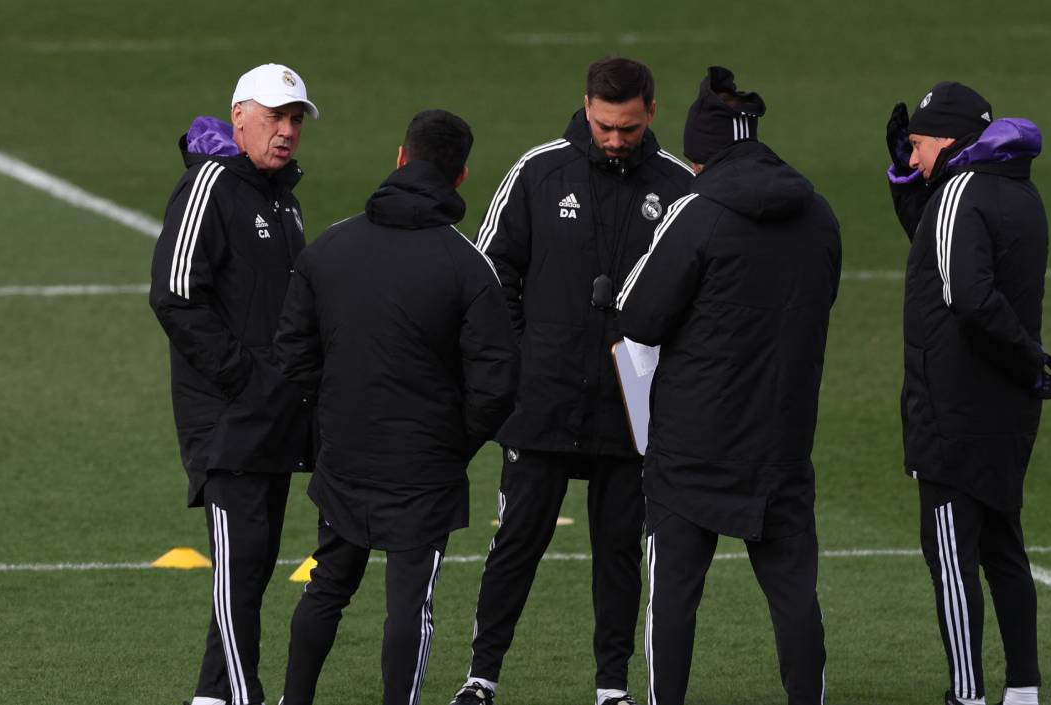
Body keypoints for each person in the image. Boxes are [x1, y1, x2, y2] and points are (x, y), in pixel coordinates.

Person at [450, 56, 693, 705]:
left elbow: (703, 291)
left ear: (651, 112)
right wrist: (525, 359)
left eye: (630, 127)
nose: (616, 138)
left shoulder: (677, 186)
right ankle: (481, 676)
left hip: (633, 404)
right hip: (542, 400)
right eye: (607, 125)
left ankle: (611, 686)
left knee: (618, 551)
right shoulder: (538, 170)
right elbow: (489, 272)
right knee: (517, 541)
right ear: (587, 107)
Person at [274, 109, 518, 705]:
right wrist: (452, 442)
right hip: (425, 469)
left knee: (328, 585)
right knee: (410, 603)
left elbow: (292, 357)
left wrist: (329, 423)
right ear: (460, 178)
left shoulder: (330, 248)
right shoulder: (468, 267)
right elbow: (496, 382)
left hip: (345, 458)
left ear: (400, 157)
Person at [615, 66, 840, 705]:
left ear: (699, 150)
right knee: (795, 594)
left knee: (674, 598)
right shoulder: (819, 212)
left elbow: (639, 316)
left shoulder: (698, 212)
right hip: (783, 439)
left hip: (693, 444)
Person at [885, 81, 1051, 705]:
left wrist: (1026, 356)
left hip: (951, 405)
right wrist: (1028, 367)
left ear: (951, 138)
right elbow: (942, 251)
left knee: (952, 560)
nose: (912, 159)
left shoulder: (960, 191)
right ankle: (1024, 690)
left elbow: (965, 295)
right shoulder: (1019, 189)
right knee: (1003, 547)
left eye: (918, 146)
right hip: (1006, 407)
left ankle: (966, 695)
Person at [148, 63, 318, 705]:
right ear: (240, 115)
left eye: (296, 119)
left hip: (273, 416)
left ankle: (214, 695)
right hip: (228, 421)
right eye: (275, 117)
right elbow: (175, 297)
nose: (286, 131)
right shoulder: (210, 184)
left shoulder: (285, 201)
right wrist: (250, 382)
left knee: (250, 574)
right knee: (239, 570)